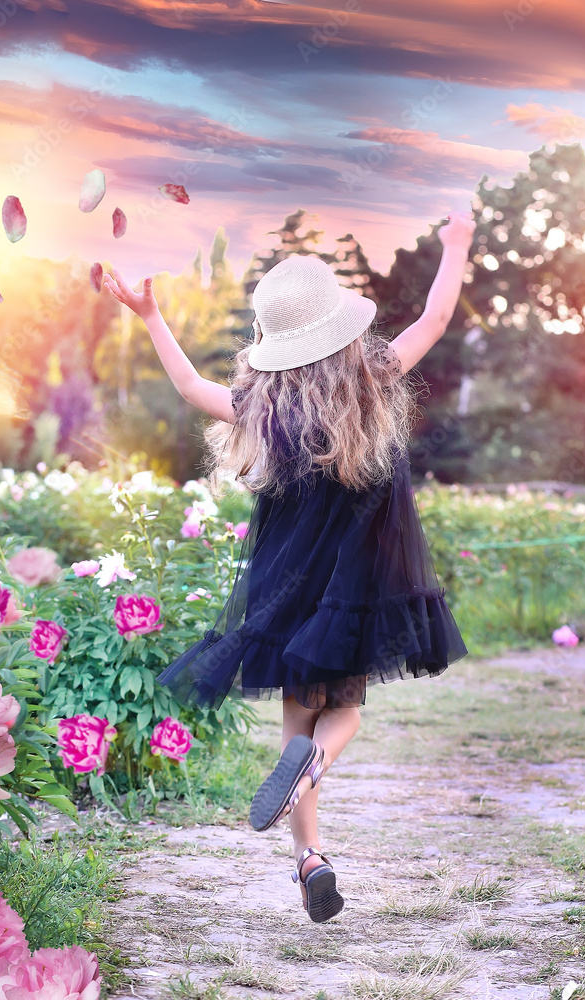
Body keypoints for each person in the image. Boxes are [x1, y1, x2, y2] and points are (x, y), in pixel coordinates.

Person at [102, 208, 475, 923]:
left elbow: (187, 388)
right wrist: (454, 243)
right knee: (347, 715)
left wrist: (150, 314)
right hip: (359, 588)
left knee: (297, 719)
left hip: (283, 591)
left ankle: (309, 858)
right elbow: (433, 316)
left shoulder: (258, 406)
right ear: (338, 325)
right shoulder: (371, 381)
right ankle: (314, 770)